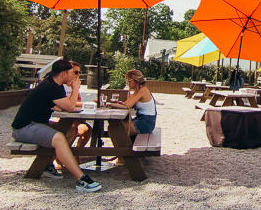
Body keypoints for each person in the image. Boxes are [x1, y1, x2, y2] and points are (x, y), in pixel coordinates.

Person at [11, 59, 102, 192]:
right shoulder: (50, 86)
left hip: (36, 124)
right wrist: (76, 88)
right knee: (59, 137)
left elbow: (64, 105)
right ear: (64, 74)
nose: (75, 77)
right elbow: (70, 106)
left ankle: (47, 165)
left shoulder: (55, 85)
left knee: (70, 131)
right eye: (72, 73)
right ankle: (81, 179)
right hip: (24, 128)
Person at [106, 69, 157, 136]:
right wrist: (117, 103)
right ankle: (124, 145)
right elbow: (126, 103)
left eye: (128, 81)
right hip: (143, 120)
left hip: (146, 122)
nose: (127, 84)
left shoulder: (143, 90)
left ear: (133, 80)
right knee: (115, 126)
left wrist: (109, 104)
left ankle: (124, 146)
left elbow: (127, 106)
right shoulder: (138, 90)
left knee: (115, 129)